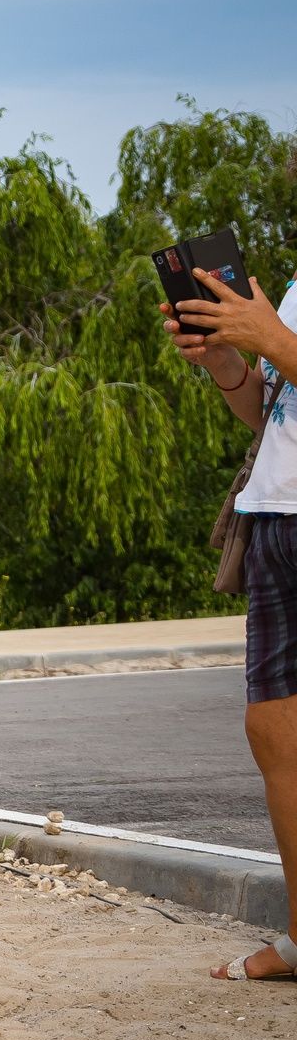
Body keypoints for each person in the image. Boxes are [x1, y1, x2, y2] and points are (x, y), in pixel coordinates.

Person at [166, 261, 297, 984]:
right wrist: (227, 361)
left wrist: (272, 336)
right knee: (272, 725)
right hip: (276, 514)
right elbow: (270, 412)